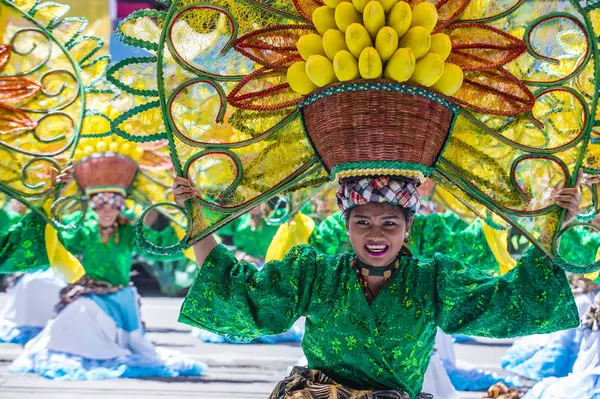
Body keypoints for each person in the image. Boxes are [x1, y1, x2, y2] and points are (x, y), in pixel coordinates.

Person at [173, 174, 579, 398]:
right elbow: (244, 293)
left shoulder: (433, 278)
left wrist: (553, 230)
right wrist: (198, 223)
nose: (376, 235)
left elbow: (505, 300)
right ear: (345, 227)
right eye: (362, 222)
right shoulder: (315, 273)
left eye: (390, 223)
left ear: (408, 228)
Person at [5, 145, 206, 380]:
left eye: (113, 205)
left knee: (83, 312)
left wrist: (183, 215)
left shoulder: (128, 232)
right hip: (88, 293)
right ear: (93, 206)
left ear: (121, 206)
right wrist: (57, 194)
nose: (107, 211)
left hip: (117, 298)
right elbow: (57, 236)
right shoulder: (85, 230)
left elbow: (160, 247)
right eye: (101, 205)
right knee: (69, 318)